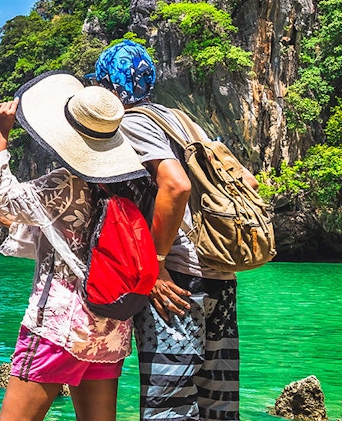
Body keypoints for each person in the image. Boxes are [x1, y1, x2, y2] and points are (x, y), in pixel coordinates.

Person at [0, 71, 155, 421]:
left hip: (59, 326)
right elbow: (72, 235)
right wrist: (6, 221)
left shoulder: (65, 183)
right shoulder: (131, 185)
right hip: (109, 325)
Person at [89, 40, 255, 421]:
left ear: (108, 85)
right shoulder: (179, 119)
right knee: (218, 401)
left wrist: (156, 264)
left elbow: (175, 185)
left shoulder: (133, 122)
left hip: (180, 278)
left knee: (170, 403)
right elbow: (243, 178)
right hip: (220, 274)